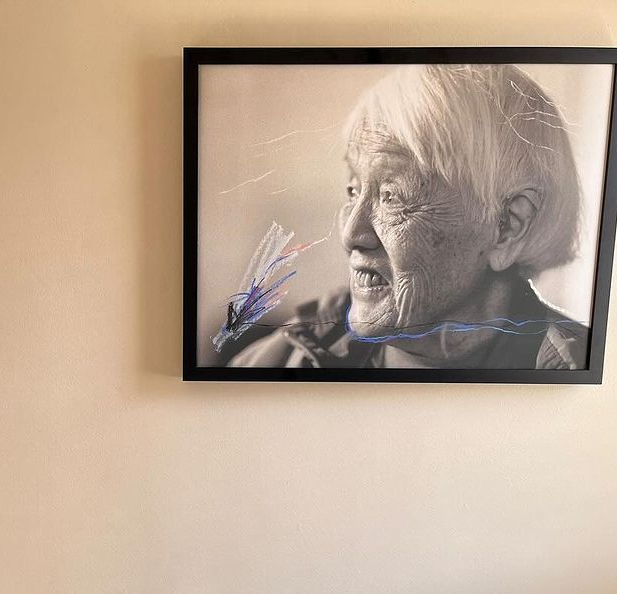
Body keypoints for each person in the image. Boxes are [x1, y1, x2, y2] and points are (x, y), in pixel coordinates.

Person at [230, 64, 590, 370]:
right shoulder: (272, 364)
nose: (352, 234)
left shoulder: (581, 381)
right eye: (353, 190)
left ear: (507, 226)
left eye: (392, 197)